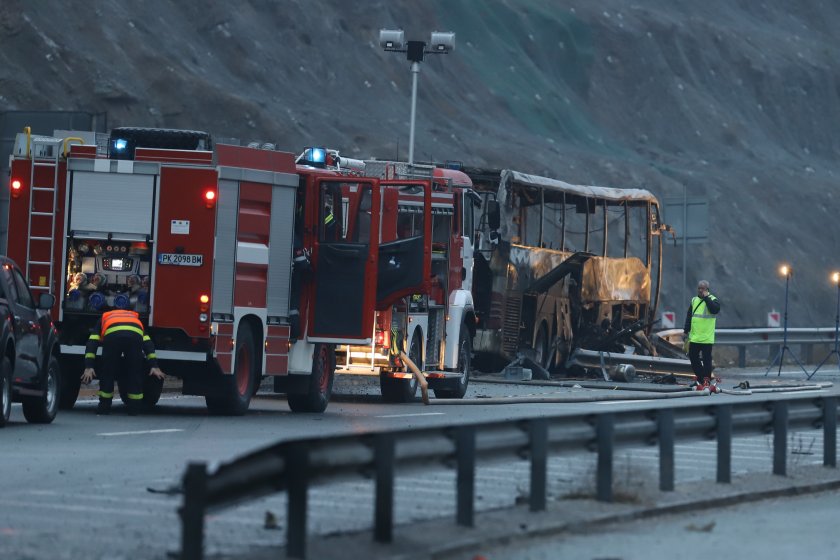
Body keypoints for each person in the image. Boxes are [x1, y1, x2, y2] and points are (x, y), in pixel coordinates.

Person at [81, 309, 165, 415]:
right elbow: (147, 342)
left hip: (112, 337)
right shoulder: (135, 318)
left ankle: (104, 408)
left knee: (108, 372)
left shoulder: (104, 317)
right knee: (135, 373)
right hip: (134, 336)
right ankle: (134, 409)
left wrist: (89, 366)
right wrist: (154, 365)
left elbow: (92, 342)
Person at [683, 280, 721, 391]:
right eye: (699, 288)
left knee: (706, 360)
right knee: (693, 358)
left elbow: (715, 310)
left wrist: (706, 298)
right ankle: (700, 379)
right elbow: (689, 317)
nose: (700, 290)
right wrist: (685, 331)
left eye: (703, 288)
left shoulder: (713, 300)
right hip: (695, 337)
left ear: (707, 289)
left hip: (706, 338)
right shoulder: (694, 300)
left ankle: (706, 380)